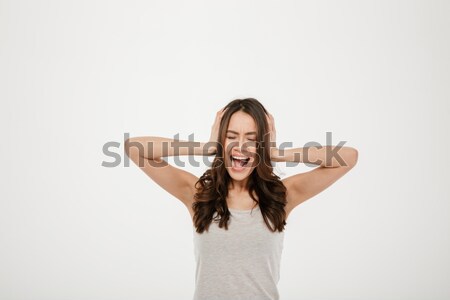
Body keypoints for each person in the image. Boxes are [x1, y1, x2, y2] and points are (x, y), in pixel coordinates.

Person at [124, 98, 358, 300]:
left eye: (252, 139)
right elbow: (134, 148)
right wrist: (207, 147)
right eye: (231, 136)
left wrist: (275, 152)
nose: (241, 147)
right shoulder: (197, 194)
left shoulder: (282, 196)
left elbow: (348, 157)